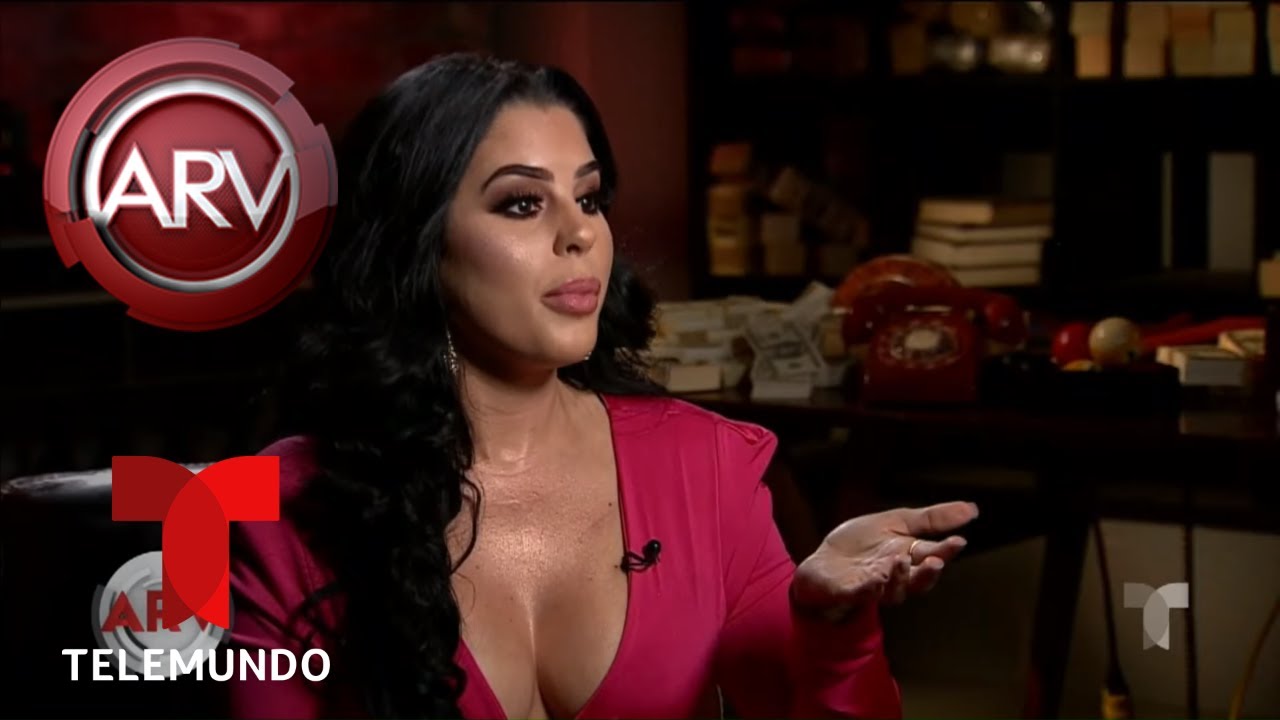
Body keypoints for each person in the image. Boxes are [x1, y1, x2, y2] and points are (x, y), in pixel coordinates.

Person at [228, 53, 978, 720]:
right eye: (522, 203)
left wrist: (833, 624)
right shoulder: (275, 504)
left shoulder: (707, 465)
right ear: (415, 243)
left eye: (588, 199)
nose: (580, 233)